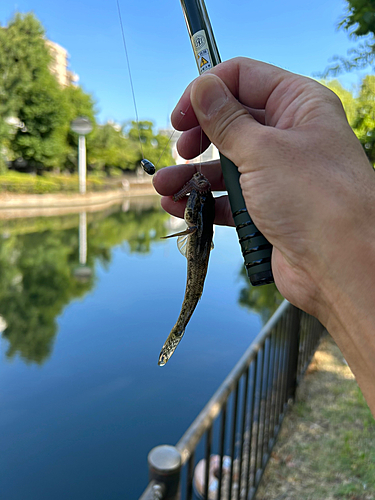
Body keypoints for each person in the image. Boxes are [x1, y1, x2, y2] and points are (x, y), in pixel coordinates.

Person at [153, 57, 375, 416]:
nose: (198, 187)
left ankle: (175, 335)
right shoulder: (198, 208)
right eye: (196, 192)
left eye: (198, 191)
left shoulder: (195, 206)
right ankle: (175, 334)